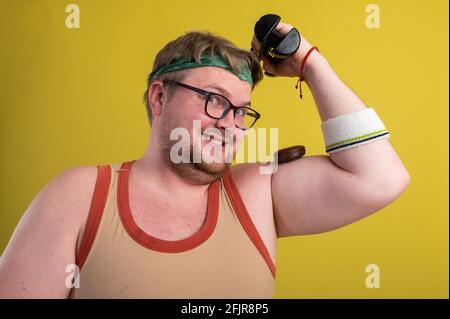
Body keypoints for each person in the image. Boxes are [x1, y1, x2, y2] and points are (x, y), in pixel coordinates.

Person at [0, 22, 410, 298]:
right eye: (214, 100)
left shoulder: (257, 193)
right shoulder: (80, 194)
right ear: (160, 96)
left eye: (242, 110)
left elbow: (381, 178)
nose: (231, 124)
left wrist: (309, 63)